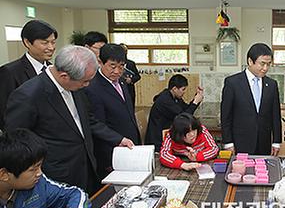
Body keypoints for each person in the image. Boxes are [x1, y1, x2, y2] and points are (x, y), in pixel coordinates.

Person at [5, 45, 134, 195]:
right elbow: (17, 142)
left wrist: (118, 139)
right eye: (85, 81)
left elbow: (88, 121)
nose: (87, 85)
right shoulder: (29, 95)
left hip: (87, 167)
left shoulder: (75, 85)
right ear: (64, 76)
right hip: (56, 176)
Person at [0, 129, 91, 208]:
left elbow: (75, 194)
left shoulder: (38, 185)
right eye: (33, 169)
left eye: (40, 166)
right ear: (3, 174)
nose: (39, 173)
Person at [84, 44, 141, 179]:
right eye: (112, 66)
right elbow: (96, 124)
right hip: (111, 151)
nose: (117, 71)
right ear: (100, 62)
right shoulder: (92, 88)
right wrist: (118, 140)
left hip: (129, 145)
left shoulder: (121, 82)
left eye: (121, 66)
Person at [220, 43, 282, 155]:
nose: (265, 68)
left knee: (262, 171)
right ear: (250, 61)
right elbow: (226, 116)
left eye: (268, 64)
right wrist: (228, 142)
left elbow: (275, 115)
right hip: (240, 142)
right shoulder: (232, 83)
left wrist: (276, 141)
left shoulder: (271, 84)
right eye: (262, 64)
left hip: (264, 142)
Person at [0, 20, 58, 130]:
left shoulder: (53, 69)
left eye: (53, 42)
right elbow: (4, 113)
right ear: (27, 43)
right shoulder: (9, 72)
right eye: (45, 43)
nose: (51, 47)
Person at [145, 74, 204, 152]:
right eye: (183, 89)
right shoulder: (165, 100)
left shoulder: (174, 97)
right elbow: (183, 117)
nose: (184, 92)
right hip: (158, 140)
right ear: (175, 89)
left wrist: (196, 98)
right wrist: (195, 102)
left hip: (167, 132)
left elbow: (186, 109)